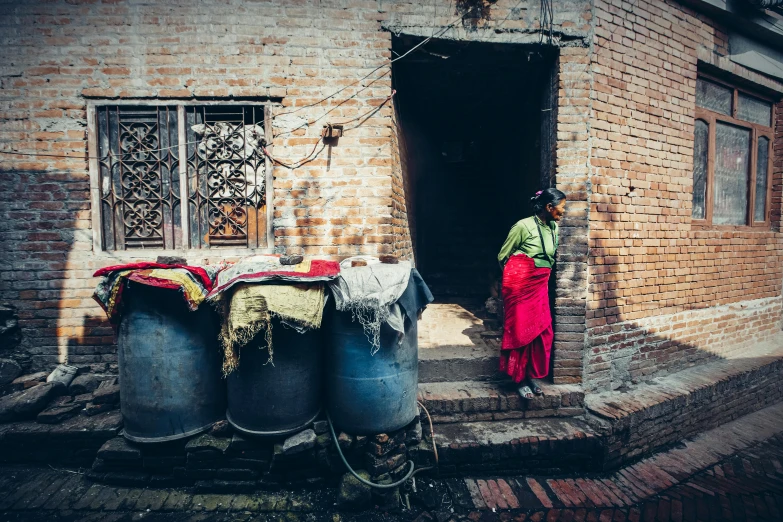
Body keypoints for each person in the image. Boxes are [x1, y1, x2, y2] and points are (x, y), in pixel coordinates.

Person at [496, 188, 567, 399]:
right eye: (561, 208)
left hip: (540, 285)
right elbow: (503, 256)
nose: (563, 212)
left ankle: (530, 377)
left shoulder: (554, 228)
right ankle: (518, 380)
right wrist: (515, 279)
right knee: (520, 331)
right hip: (520, 286)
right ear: (549, 207)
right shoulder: (523, 226)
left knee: (541, 332)